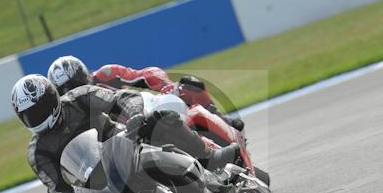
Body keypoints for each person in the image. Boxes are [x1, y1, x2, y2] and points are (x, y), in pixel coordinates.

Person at [11, 74, 239, 193]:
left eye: (38, 111)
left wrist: (135, 117)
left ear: (52, 100)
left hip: (124, 145)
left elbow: (123, 98)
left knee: (163, 119)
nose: (34, 118)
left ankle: (209, 157)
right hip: (98, 185)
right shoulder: (37, 151)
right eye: (27, 116)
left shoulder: (80, 98)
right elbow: (59, 191)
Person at [47, 56, 245, 131]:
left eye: (78, 85)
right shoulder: (68, 113)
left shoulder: (107, 75)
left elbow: (147, 73)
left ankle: (219, 117)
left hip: (147, 111)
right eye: (69, 91)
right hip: (124, 142)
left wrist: (166, 86)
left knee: (188, 85)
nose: (78, 92)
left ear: (86, 76)